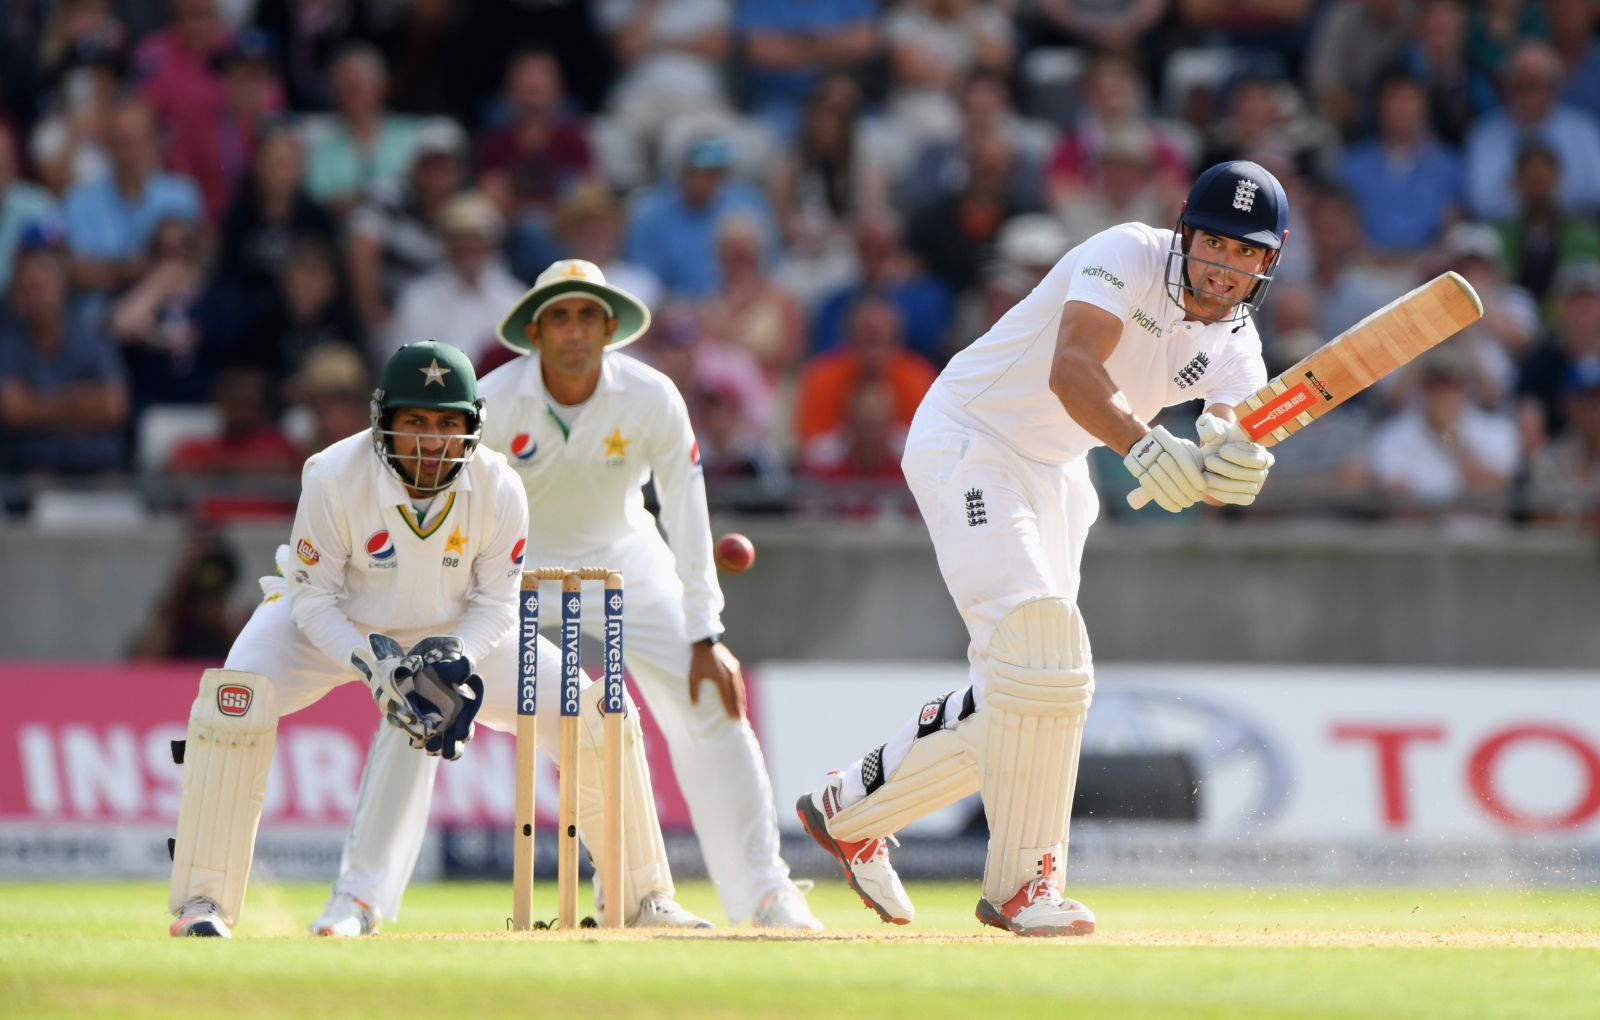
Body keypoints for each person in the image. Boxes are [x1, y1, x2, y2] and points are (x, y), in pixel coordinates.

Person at [794, 162, 1284, 935]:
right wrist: (1145, 445)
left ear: (1269, 261)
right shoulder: (1125, 254)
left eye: (1247, 253)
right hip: (973, 438)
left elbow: (1228, 424)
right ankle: (1024, 886)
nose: (1227, 267)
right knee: (1038, 650)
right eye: (1216, 244)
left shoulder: (1239, 345)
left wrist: (1233, 461)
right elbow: (1072, 370)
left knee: (1037, 686)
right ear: (1185, 233)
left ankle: (850, 807)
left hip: (1058, 472)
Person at [321, 263, 822, 931]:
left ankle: (765, 894)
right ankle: (360, 898)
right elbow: (446, 509)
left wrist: (707, 633)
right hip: (511, 571)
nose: (576, 330)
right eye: (560, 316)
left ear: (611, 327)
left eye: (589, 316)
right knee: (421, 698)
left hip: (629, 564)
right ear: (534, 329)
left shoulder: (652, 396)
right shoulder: (492, 401)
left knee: (713, 702)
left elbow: (687, 509)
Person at [169, 339, 711, 938]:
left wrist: (458, 656)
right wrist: (372, 665)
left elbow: (499, 602)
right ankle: (203, 902)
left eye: (448, 424)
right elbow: (311, 597)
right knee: (234, 699)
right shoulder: (332, 475)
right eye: (416, 423)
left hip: (453, 627)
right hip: (332, 623)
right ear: (384, 424)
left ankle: (642, 899)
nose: (432, 442)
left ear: (472, 427)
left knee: (597, 711)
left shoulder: (500, 487)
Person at [0, 223, 129, 474]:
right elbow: (14, 412)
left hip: (97, 464)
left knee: (115, 489)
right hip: (35, 466)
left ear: (62, 286)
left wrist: (41, 407)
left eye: (43, 285)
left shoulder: (91, 336)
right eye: (29, 287)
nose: (36, 295)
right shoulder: (7, 342)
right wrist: (78, 403)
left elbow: (114, 406)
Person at [61, 99, 204, 296]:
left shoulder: (182, 194)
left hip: (169, 308)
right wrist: (135, 270)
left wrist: (114, 270)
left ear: (153, 142)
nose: (129, 155)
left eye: (137, 142)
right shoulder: (79, 201)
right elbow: (78, 273)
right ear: (108, 145)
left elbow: (190, 265)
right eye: (121, 144)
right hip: (97, 313)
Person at [622, 134, 777, 300]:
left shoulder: (748, 203)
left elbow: (770, 266)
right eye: (697, 173)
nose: (705, 181)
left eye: (714, 174)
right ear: (681, 172)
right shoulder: (651, 215)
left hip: (741, 304)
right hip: (674, 309)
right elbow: (643, 283)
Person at [384, 192, 525, 365]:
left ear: (491, 244)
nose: (468, 250)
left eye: (476, 240)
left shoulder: (514, 300)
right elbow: (403, 365)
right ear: (446, 244)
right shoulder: (418, 298)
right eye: (460, 240)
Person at [1464, 41, 1600, 222]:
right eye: (1521, 86)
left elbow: (1594, 190)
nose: (1530, 96)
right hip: (1506, 236)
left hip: (1573, 231)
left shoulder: (1583, 129)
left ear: (1555, 87)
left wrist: (1522, 191)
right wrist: (1554, 190)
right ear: (1508, 87)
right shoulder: (1484, 134)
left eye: (1537, 85)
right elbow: (1483, 202)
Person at [1371, 341, 1519, 505]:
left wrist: (1449, 435)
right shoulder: (1394, 433)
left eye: (1454, 384)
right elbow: (1398, 502)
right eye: (1437, 383)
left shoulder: (1496, 429)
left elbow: (1494, 492)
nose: (1444, 393)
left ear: (1466, 387)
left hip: (1477, 529)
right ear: (1422, 387)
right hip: (1418, 530)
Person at [217, 122, 339, 315]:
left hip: (303, 317)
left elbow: (329, 280)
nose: (282, 174)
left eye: (289, 165)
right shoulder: (238, 218)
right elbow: (227, 278)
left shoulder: (316, 219)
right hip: (250, 318)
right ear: (257, 166)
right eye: (275, 164)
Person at [1338, 71, 1463, 255]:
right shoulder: (1351, 165)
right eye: (1394, 99)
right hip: (1365, 266)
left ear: (1425, 107)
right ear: (1379, 106)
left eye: (1410, 99)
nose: (1401, 108)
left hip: (1431, 268)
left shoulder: (1450, 165)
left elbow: (1453, 223)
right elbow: (1345, 224)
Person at [796, 296, 935, 445]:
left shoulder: (918, 378)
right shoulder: (821, 377)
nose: (875, 335)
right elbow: (809, 445)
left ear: (895, 337)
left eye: (880, 335)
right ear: (849, 336)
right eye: (867, 334)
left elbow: (930, 446)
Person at [303, 45, 422, 217]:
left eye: (357, 88)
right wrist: (372, 197)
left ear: (383, 86)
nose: (349, 98)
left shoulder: (414, 134)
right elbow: (322, 205)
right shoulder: (320, 146)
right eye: (343, 89)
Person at [1494, 143, 1600, 309]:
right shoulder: (1499, 239)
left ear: (1558, 180)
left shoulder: (1585, 237)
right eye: (1531, 180)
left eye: (1543, 180)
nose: (1538, 188)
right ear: (1517, 182)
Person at [166, 364, 303, 476]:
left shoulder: (282, 447)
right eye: (236, 398)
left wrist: (219, 470)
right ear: (220, 399)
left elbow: (297, 475)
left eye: (250, 402)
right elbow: (178, 474)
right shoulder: (194, 449)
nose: (246, 395)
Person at [1525, 359, 1600, 522]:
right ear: (1568, 404)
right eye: (1585, 400)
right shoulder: (1548, 456)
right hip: (1565, 546)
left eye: (1597, 399)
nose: (1594, 409)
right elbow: (1545, 519)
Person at [0, 123, 59, 296]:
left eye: (3, 162)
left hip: (22, 310)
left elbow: (56, 269)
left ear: (13, 165)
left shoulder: (38, 205)